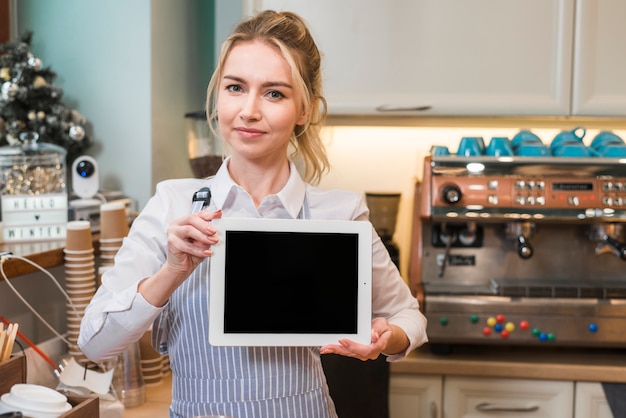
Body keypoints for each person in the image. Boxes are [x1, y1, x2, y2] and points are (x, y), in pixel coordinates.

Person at [78, 9, 427, 418]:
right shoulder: (173, 205)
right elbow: (95, 344)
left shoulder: (339, 215)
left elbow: (409, 317)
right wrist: (171, 271)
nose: (249, 110)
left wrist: (387, 338)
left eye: (274, 93)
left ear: (305, 110)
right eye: (235, 87)